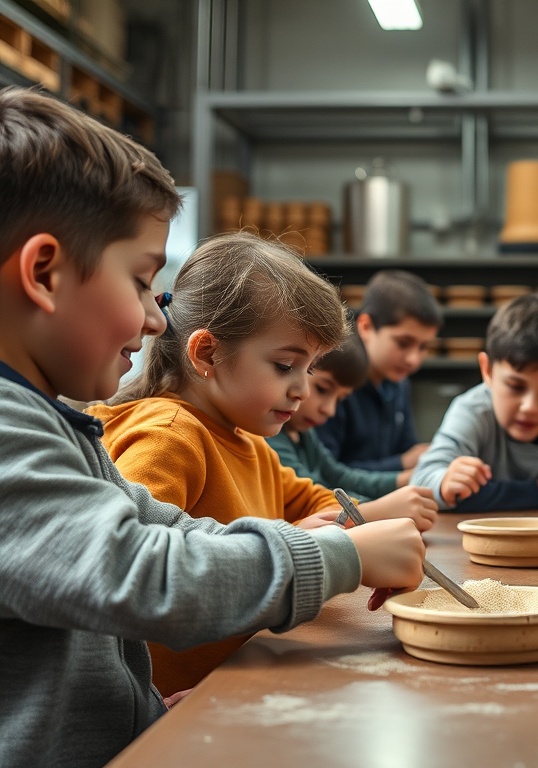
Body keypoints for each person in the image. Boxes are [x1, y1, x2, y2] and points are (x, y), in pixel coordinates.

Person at [0, 86, 425, 768]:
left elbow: (165, 532)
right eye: (141, 281)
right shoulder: (8, 436)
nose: (154, 317)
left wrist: (140, 712)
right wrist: (338, 557)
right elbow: (141, 574)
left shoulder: (52, 423)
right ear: (45, 273)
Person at [88, 232, 437, 697]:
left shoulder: (247, 442)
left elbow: (315, 500)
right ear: (207, 353)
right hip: (168, 710)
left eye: (310, 369)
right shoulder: (170, 435)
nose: (303, 390)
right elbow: (135, 573)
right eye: (284, 366)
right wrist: (324, 544)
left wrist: (365, 528)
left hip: (233, 682)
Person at [412, 293, 538, 511]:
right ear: (487, 370)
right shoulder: (472, 411)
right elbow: (421, 482)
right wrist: (444, 482)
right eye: (516, 387)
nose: (529, 407)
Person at [268, 339, 430, 500]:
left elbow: (340, 477)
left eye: (340, 400)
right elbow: (310, 496)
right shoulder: (270, 437)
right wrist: (382, 507)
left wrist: (407, 479)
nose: (329, 410)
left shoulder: (305, 434)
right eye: (322, 389)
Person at [316, 269, 442, 471]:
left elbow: (407, 448)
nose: (413, 359)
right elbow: (326, 472)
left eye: (423, 347)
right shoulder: (335, 379)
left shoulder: (399, 382)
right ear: (366, 327)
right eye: (403, 343)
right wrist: (401, 464)